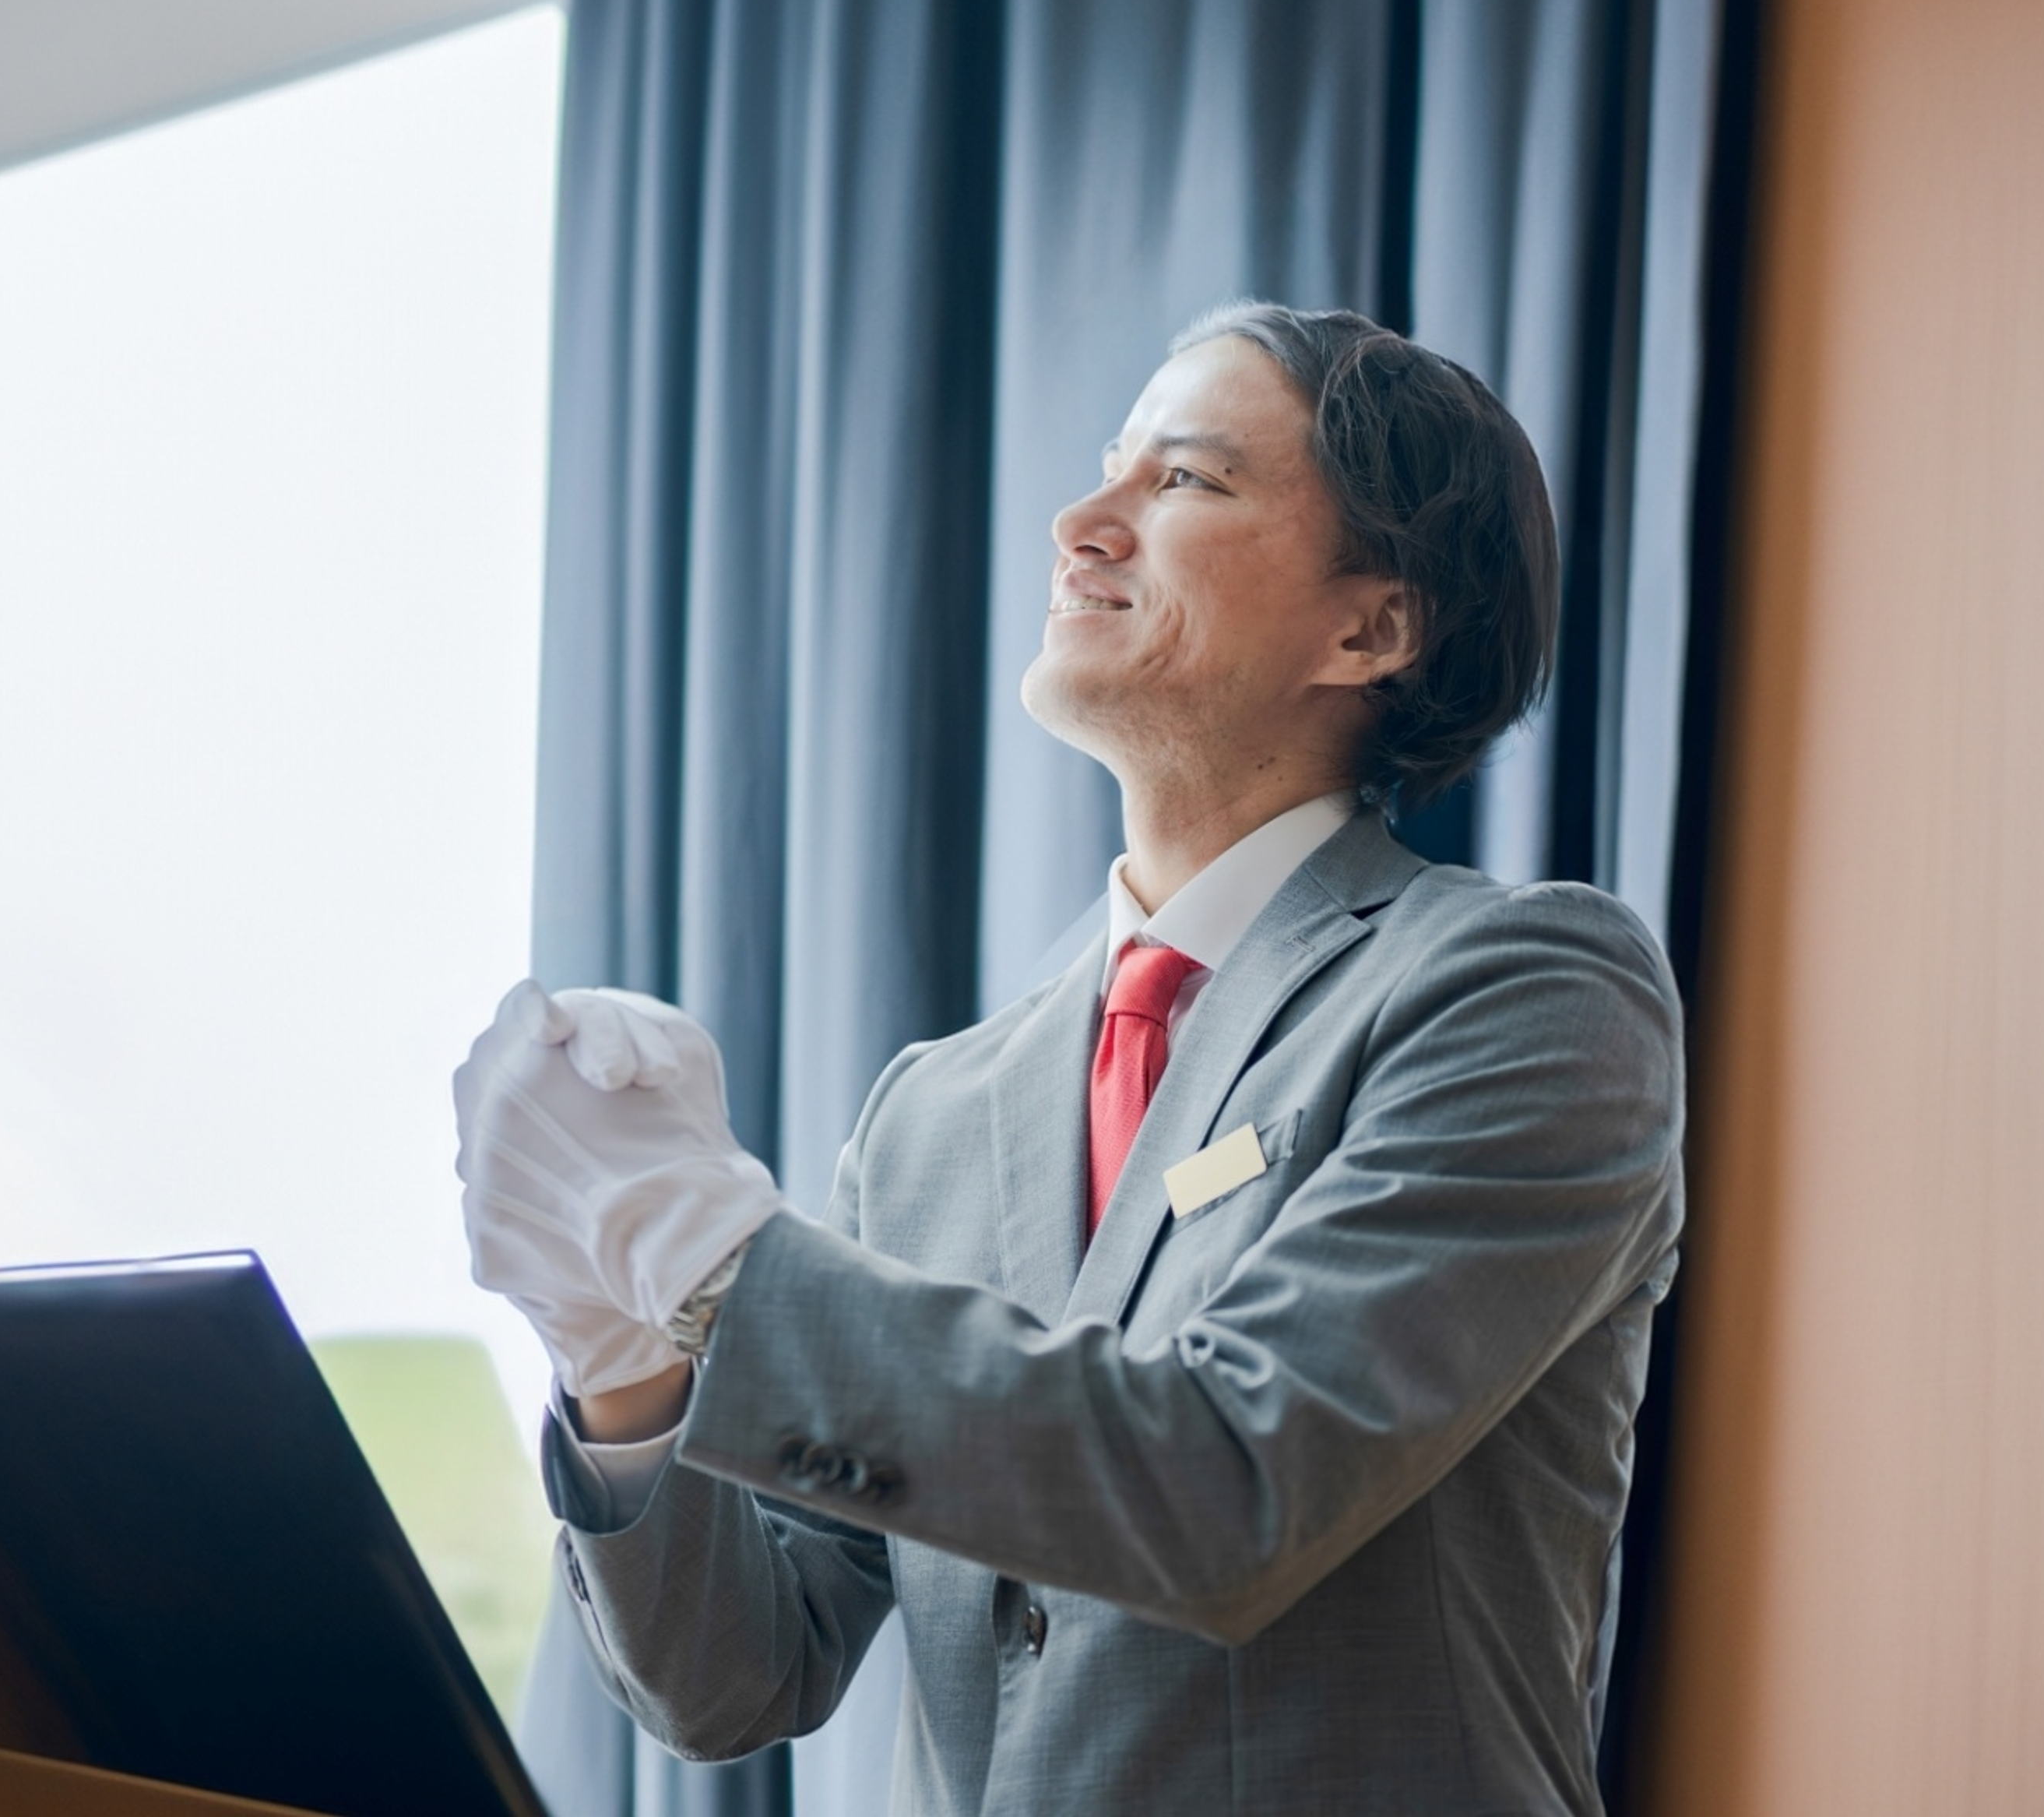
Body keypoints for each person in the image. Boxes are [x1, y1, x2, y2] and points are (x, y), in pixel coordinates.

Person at [453, 303, 1686, 1815]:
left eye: (1184, 480)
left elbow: (1231, 1484)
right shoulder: (932, 1111)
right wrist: (620, 1355)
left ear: (1370, 629)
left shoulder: (1525, 991)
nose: (1080, 522)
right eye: (1109, 465)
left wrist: (715, 1261)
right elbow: (734, 1679)